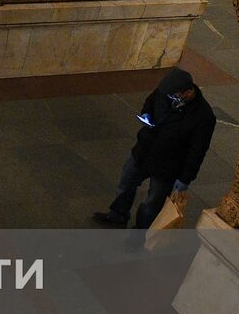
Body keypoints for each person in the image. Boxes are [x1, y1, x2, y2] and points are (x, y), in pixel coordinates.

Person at [93, 67, 216, 229]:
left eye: (173, 96)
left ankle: (140, 233)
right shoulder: (165, 91)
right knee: (126, 183)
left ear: (186, 93)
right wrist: (146, 115)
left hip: (168, 165)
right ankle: (118, 215)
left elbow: (197, 151)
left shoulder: (203, 116)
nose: (168, 97)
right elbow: (150, 102)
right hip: (144, 150)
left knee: (152, 202)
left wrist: (185, 178)